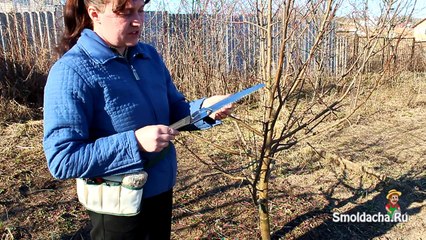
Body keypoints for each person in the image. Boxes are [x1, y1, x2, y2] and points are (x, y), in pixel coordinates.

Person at [42, 0, 233, 239]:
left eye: (141, 10)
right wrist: (135, 143)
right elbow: (63, 158)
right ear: (95, 14)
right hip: (118, 203)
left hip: (160, 188)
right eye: (126, 12)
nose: (138, 21)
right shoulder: (71, 71)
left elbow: (175, 109)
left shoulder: (148, 56)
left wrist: (205, 109)